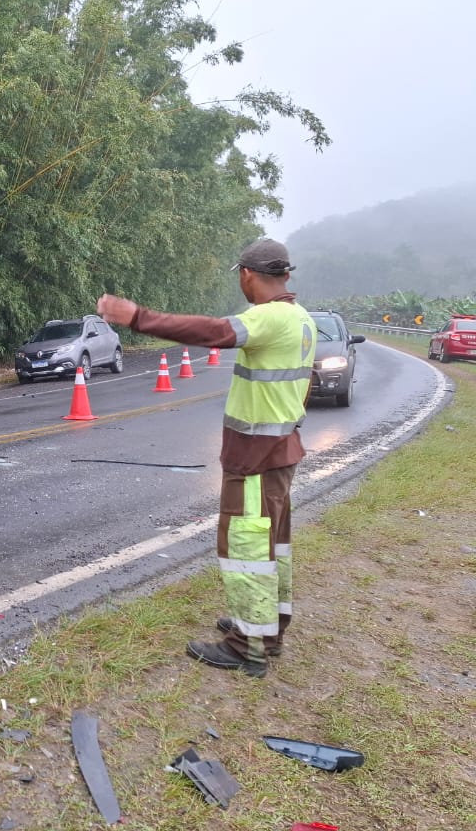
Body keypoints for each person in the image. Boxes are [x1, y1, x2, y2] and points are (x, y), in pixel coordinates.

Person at [95, 239, 315, 678]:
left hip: (256, 457)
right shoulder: (301, 318)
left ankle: (246, 644)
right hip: (280, 449)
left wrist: (137, 317)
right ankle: (267, 631)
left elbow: (214, 332)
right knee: (273, 546)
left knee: (247, 547)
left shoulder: (268, 318)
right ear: (286, 276)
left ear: (247, 275)